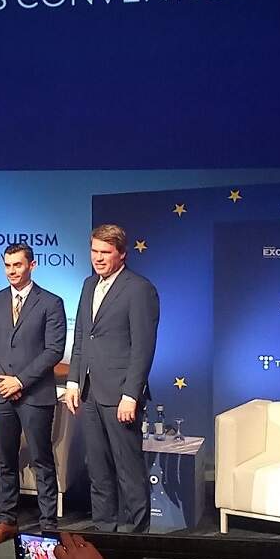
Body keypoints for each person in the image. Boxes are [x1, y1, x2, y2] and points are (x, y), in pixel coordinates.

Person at [63, 224, 159, 533]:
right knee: (98, 467)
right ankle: (104, 529)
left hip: (120, 395)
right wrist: (74, 382)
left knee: (128, 468)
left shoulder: (139, 289)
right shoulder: (89, 284)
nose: (98, 258)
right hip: (90, 392)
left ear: (122, 254)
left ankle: (136, 533)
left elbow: (143, 348)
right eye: (94, 251)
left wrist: (131, 394)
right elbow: (82, 336)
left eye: (105, 252)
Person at [0, 243, 67, 544]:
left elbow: (54, 350)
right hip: (0, 394)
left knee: (42, 459)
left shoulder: (51, 302)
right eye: (7, 265)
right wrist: (4, 382)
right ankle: (7, 520)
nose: (12, 271)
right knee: (5, 459)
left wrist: (20, 381)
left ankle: (48, 525)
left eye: (17, 265)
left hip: (35, 394)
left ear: (32, 265)